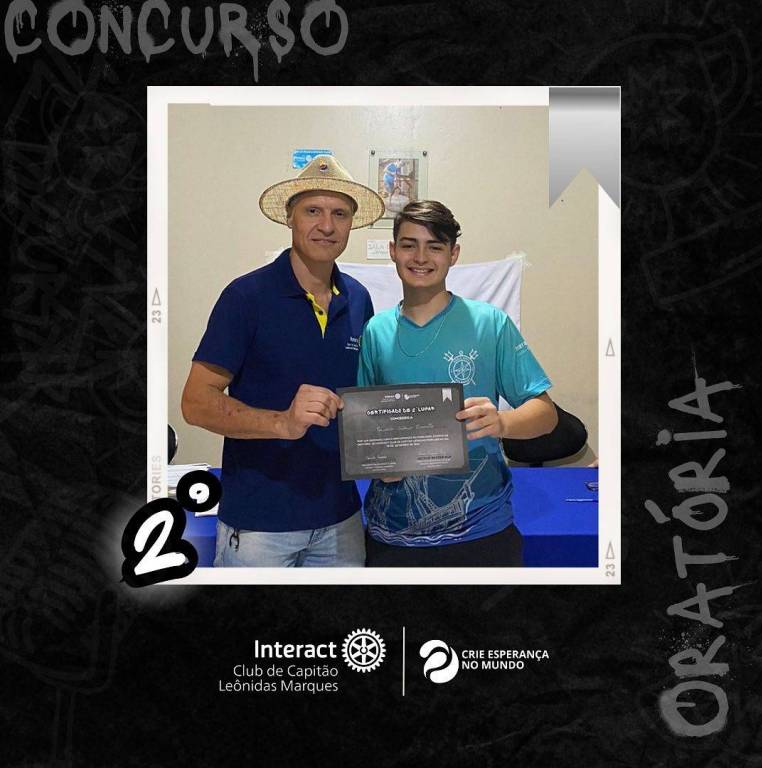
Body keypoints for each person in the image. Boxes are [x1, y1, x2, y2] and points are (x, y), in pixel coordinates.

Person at [181, 156, 384, 567]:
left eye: (339, 214)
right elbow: (195, 402)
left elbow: (362, 400)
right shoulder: (245, 297)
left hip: (341, 518)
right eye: (313, 211)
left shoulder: (358, 299)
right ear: (290, 217)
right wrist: (282, 423)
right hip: (260, 524)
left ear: (351, 224)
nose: (326, 225)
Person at [358, 200, 557, 566]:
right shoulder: (375, 331)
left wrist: (503, 422)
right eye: (409, 245)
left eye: (434, 246)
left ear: (453, 254)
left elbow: (546, 414)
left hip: (481, 530)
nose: (421, 257)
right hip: (391, 534)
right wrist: (375, 461)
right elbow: (363, 428)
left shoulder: (490, 324)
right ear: (393, 251)